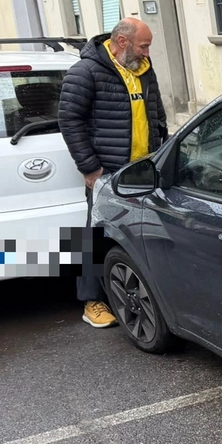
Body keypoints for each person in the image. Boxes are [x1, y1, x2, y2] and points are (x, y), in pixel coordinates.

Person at [58, 18, 168, 328]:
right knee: (95, 234)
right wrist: (90, 168)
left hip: (143, 168)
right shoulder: (85, 72)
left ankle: (144, 292)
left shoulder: (143, 69)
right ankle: (92, 302)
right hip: (108, 171)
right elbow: (70, 120)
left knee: (141, 230)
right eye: (143, 46)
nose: (147, 52)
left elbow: (156, 112)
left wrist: (164, 152)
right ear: (122, 43)